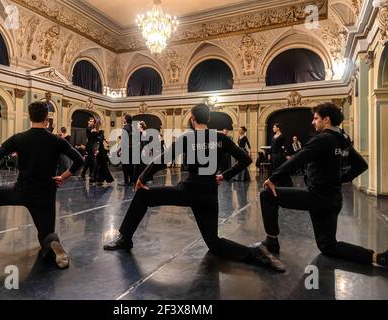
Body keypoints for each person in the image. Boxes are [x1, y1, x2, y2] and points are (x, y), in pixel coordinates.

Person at [103, 103, 285, 272]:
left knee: (143, 195)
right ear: (208, 120)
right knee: (214, 243)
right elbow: (246, 158)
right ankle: (255, 253)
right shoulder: (220, 138)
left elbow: (163, 159)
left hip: (188, 192)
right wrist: (224, 176)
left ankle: (125, 238)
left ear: (192, 119)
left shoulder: (188, 138)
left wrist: (142, 176)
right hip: (209, 196)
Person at [255, 103, 388, 268]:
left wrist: (273, 178)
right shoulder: (342, 140)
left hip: (317, 198)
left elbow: (300, 158)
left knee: (267, 195)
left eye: (316, 118)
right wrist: (338, 179)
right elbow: (361, 165)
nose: (313, 122)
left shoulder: (323, 138)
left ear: (326, 120)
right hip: (333, 200)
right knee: (328, 246)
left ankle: (271, 241)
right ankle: (378, 258)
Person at [0, 102, 84, 269]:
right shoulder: (57, 140)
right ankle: (52, 243)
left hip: (21, 191)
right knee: (46, 234)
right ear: (47, 119)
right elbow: (79, 160)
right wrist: (62, 177)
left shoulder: (19, 138)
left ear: (30, 117)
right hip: (45, 194)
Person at [91, 120, 114, 184]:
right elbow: (99, 140)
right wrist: (97, 149)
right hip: (99, 149)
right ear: (100, 124)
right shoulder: (101, 131)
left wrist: (106, 140)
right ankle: (106, 178)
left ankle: (97, 178)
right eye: (103, 123)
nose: (104, 124)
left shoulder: (93, 131)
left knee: (99, 163)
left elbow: (97, 140)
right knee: (102, 164)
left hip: (97, 148)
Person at [120, 114, 134, 186]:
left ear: (126, 119)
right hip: (133, 149)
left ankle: (126, 181)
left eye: (123, 118)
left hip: (126, 148)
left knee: (125, 165)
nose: (123, 119)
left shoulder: (125, 128)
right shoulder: (134, 128)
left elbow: (124, 140)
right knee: (131, 165)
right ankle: (131, 181)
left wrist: (121, 149)